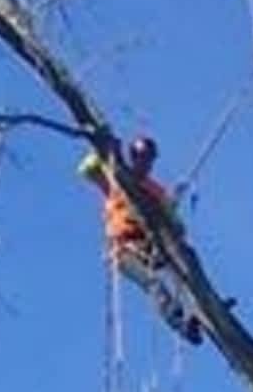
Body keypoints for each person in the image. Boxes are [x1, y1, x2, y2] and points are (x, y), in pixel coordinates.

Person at [78, 134, 203, 345]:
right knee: (152, 282)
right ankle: (178, 321)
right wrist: (104, 150)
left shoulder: (154, 190)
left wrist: (171, 207)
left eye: (147, 159)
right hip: (122, 249)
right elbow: (86, 169)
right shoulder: (115, 177)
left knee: (184, 263)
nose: (144, 163)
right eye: (139, 157)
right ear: (132, 156)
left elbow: (177, 225)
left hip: (149, 244)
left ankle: (200, 306)